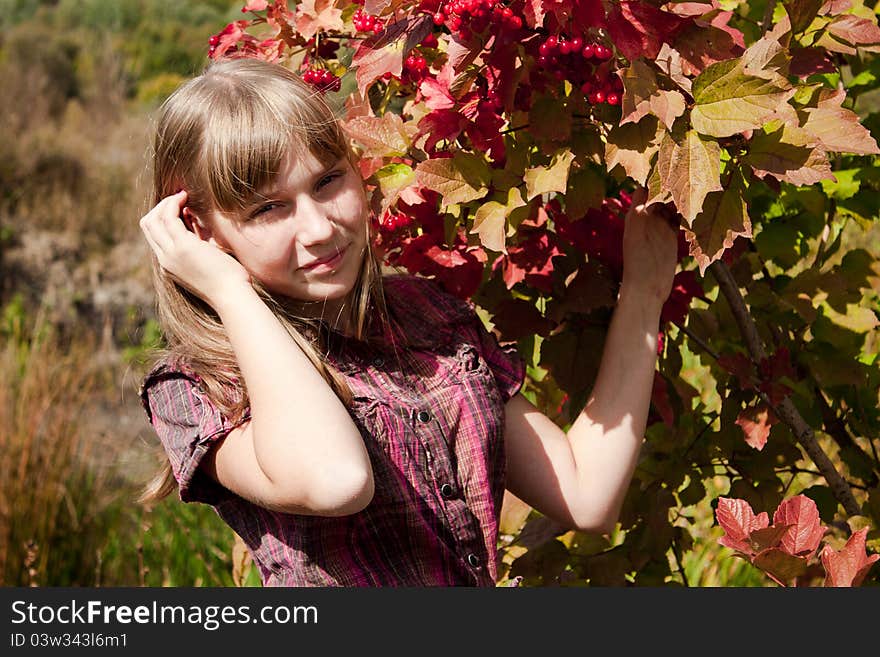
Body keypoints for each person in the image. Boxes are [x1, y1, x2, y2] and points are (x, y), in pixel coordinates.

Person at [138, 56, 679, 587]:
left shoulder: (426, 315)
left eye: (327, 182)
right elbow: (336, 480)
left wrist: (645, 291)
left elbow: (585, 493)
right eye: (268, 209)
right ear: (197, 229)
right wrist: (229, 292)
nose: (320, 228)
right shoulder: (198, 387)